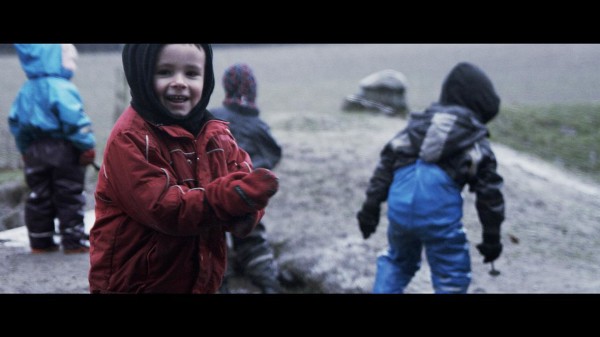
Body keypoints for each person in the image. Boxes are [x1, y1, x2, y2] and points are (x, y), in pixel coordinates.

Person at [88, 44, 279, 294]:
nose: (179, 82)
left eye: (191, 74)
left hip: (198, 279)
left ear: (206, 78)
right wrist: (226, 200)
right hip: (136, 283)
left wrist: (247, 208)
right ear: (141, 74)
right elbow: (165, 209)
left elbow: (241, 179)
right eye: (165, 72)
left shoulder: (217, 134)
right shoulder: (130, 139)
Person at [356, 62, 505, 294]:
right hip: (439, 216)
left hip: (400, 209)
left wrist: (370, 210)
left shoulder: (414, 127)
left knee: (397, 261)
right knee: (450, 273)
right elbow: (489, 195)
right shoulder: (474, 141)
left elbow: (384, 168)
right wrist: (491, 239)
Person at [8, 44, 96, 254]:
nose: (73, 65)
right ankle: (73, 239)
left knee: (39, 194)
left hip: (34, 151)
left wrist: (24, 149)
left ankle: (40, 241)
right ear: (55, 59)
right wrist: (86, 146)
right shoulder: (62, 88)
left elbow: (17, 124)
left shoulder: (26, 90)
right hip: (63, 149)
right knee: (69, 193)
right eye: (71, 60)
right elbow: (74, 121)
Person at [211, 63, 285, 294]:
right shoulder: (258, 126)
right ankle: (269, 284)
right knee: (252, 237)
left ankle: (219, 283)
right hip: (245, 196)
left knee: (212, 241)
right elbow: (272, 155)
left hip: (213, 194)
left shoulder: (211, 117)